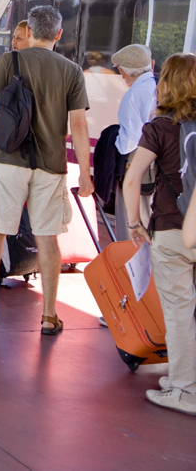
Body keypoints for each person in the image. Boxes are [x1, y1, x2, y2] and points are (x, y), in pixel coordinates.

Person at [0, 5, 93, 334]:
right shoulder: (72, 70)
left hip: (9, 161)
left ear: (30, 31)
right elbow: (79, 125)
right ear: (59, 34)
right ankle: (50, 314)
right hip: (51, 166)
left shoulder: (8, 61)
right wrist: (85, 173)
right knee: (47, 238)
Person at [123, 53, 196, 416]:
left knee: (180, 312)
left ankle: (185, 390)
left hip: (172, 230)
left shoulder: (160, 128)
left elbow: (132, 179)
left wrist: (135, 224)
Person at [111, 44, 157, 241]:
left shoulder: (133, 95)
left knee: (134, 225)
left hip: (139, 169)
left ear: (123, 72)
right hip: (160, 169)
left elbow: (128, 142)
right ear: (151, 65)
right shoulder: (159, 86)